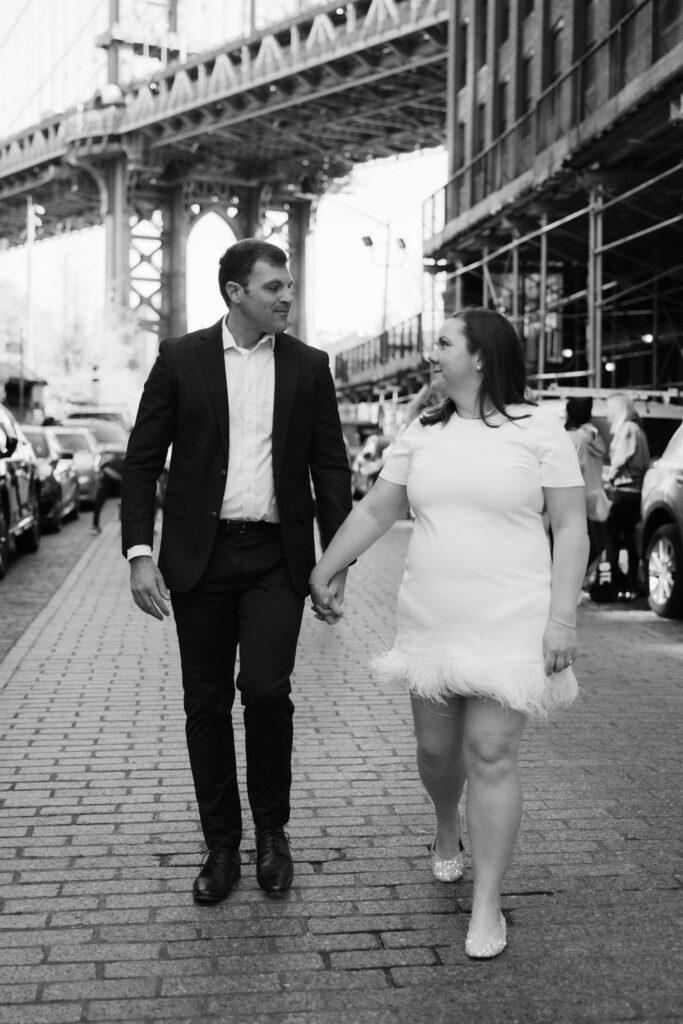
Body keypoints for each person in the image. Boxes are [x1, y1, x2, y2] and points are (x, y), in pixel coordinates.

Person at [309, 308, 588, 959]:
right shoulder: (422, 432)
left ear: (481, 355)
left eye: (441, 343)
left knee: (490, 752)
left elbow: (570, 528)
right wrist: (327, 565)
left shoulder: (540, 429)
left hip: (512, 622)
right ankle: (444, 825)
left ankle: (487, 905)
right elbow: (379, 507)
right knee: (437, 755)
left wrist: (561, 618)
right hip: (431, 619)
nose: (430, 354)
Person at [121, 238, 352, 904]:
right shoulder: (180, 358)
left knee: (263, 689)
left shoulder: (309, 366)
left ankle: (272, 835)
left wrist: (334, 563)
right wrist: (140, 551)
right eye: (275, 286)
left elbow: (329, 468)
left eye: (289, 286)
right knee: (205, 702)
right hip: (201, 557)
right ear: (235, 292)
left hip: (276, 559)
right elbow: (141, 463)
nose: (287, 296)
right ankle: (220, 845)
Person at [604, 393, 650, 599]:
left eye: (609, 410)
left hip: (626, 492)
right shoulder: (635, 428)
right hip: (633, 492)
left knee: (612, 536)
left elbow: (621, 458)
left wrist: (609, 478)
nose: (607, 415)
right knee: (629, 539)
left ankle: (613, 580)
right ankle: (630, 582)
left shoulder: (628, 429)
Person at [564, 396, 607, 586]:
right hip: (597, 498)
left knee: (572, 547)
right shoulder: (597, 438)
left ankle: (572, 583)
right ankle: (585, 581)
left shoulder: (570, 439)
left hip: (575, 501)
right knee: (592, 546)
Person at [91, 450, 125, 535]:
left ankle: (95, 527)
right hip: (116, 483)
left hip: (108, 482)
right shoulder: (124, 463)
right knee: (123, 504)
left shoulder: (110, 461)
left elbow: (102, 469)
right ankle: (123, 528)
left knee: (98, 504)